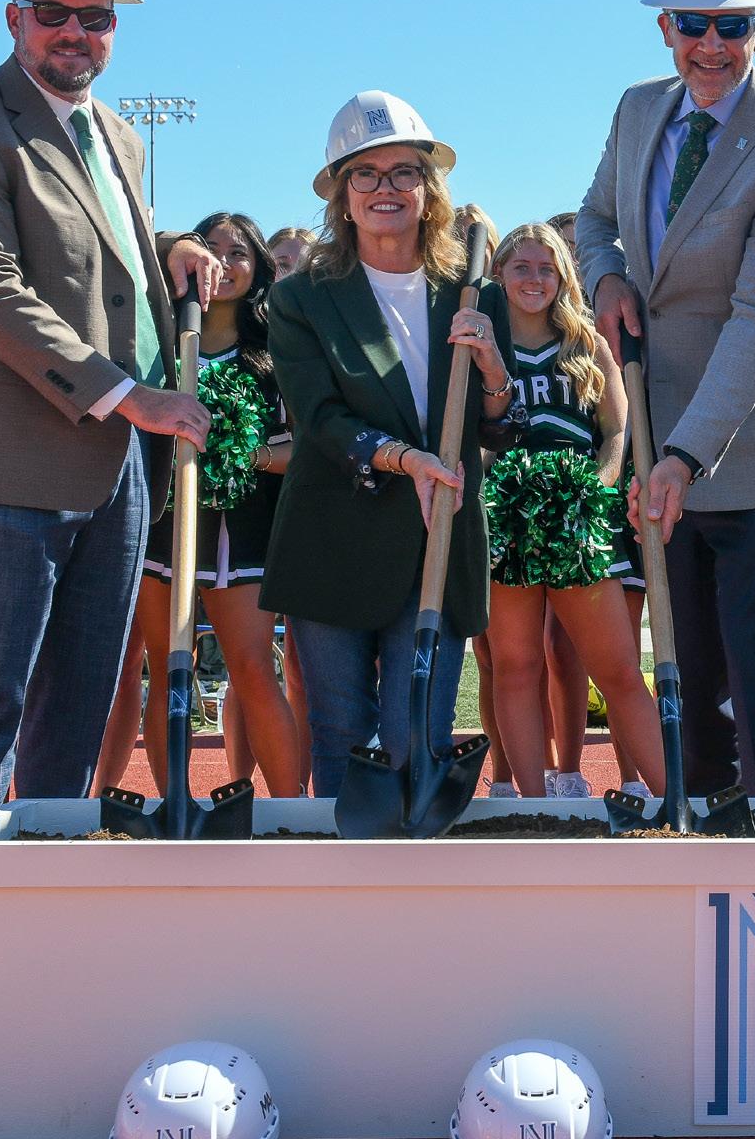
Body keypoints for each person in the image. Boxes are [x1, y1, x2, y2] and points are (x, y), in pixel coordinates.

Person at [0, 0, 220, 829]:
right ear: (13, 16)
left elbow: (100, 245)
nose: (75, 31)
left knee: (80, 700)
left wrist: (169, 244)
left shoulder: (117, 134)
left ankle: (45, 885)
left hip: (117, 463)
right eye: (53, 11)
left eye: (97, 15)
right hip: (7, 464)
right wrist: (129, 395)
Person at [575, 0, 755, 799]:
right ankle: (703, 846)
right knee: (687, 682)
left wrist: (686, 454)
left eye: (732, 25)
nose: (711, 45)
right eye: (693, 23)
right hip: (664, 443)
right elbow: (594, 219)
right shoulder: (636, 109)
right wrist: (606, 277)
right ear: (665, 26)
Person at [263, 91, 514, 794]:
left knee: (416, 738)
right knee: (341, 734)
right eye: (365, 174)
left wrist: (495, 369)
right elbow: (319, 418)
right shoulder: (301, 298)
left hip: (437, 538)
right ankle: (349, 867)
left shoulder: (474, 295)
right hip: (333, 536)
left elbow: (495, 425)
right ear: (342, 197)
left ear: (428, 191)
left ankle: (412, 861)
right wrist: (407, 460)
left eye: (405, 172)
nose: (386, 188)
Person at [112, 212, 306, 799]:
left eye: (238, 252)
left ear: (258, 268)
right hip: (163, 528)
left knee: (253, 667)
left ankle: (290, 812)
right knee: (171, 665)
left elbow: (308, 448)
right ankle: (175, 807)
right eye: (211, 249)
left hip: (244, 530)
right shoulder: (157, 350)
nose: (223, 262)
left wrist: (245, 453)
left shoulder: (276, 351)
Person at [480, 222, 667, 799]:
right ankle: (534, 808)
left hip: (577, 520)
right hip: (508, 520)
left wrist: (595, 489)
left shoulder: (586, 343)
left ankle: (672, 798)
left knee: (617, 670)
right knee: (515, 667)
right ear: (499, 273)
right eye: (522, 267)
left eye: (547, 269)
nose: (535, 279)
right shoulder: (482, 343)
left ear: (564, 277)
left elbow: (616, 432)